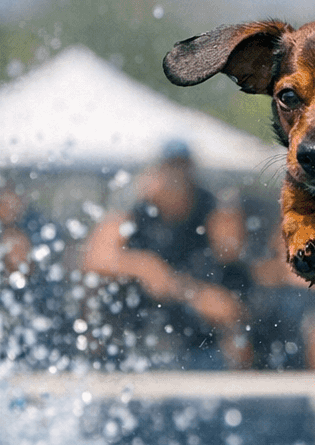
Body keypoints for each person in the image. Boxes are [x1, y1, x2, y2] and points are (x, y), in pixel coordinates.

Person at [81, 140, 253, 369]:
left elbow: (231, 255)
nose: (176, 179)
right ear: (156, 173)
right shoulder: (134, 205)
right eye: (170, 170)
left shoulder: (209, 205)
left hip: (196, 337)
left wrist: (178, 287)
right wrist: (144, 266)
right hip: (138, 327)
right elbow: (94, 259)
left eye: (182, 171)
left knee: (230, 315)